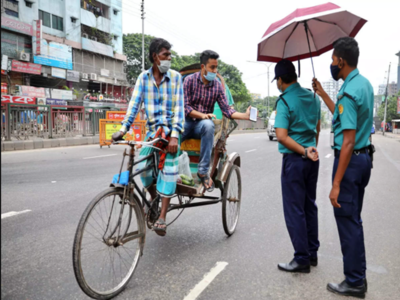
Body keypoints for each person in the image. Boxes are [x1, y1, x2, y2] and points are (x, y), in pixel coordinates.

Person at [313, 37, 373, 298]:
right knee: (353, 219)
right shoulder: (363, 84)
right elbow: (341, 117)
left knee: (348, 221)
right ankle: (358, 276)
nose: (331, 64)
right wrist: (324, 93)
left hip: (350, 162)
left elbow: (347, 141)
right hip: (363, 160)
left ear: (341, 60)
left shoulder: (348, 92)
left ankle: (355, 281)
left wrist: (336, 183)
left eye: (332, 59)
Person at [112, 38, 184, 236]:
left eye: (170, 55)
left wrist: (175, 136)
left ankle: (162, 217)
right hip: (153, 133)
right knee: (143, 168)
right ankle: (153, 198)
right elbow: (134, 105)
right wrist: (123, 130)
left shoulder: (176, 78)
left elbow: (179, 109)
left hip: (171, 133)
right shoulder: (143, 78)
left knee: (168, 169)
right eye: (165, 55)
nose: (169, 58)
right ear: (155, 57)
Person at [273, 59, 321, 274]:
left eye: (277, 81)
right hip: (312, 158)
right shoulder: (313, 97)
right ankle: (312, 254)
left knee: (294, 209)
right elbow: (317, 129)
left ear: (281, 80)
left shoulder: (284, 101)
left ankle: (301, 258)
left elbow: (281, 136)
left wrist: (301, 151)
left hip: (295, 160)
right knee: (309, 205)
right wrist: (310, 150)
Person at [182, 50, 250, 191]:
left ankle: (203, 171)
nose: (215, 71)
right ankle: (169, 167)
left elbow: (227, 109)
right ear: (203, 67)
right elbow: (185, 107)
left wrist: (244, 115)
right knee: (173, 132)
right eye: (212, 67)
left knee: (208, 125)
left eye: (216, 67)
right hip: (187, 121)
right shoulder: (189, 80)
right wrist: (202, 114)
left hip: (202, 125)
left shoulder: (217, 85)